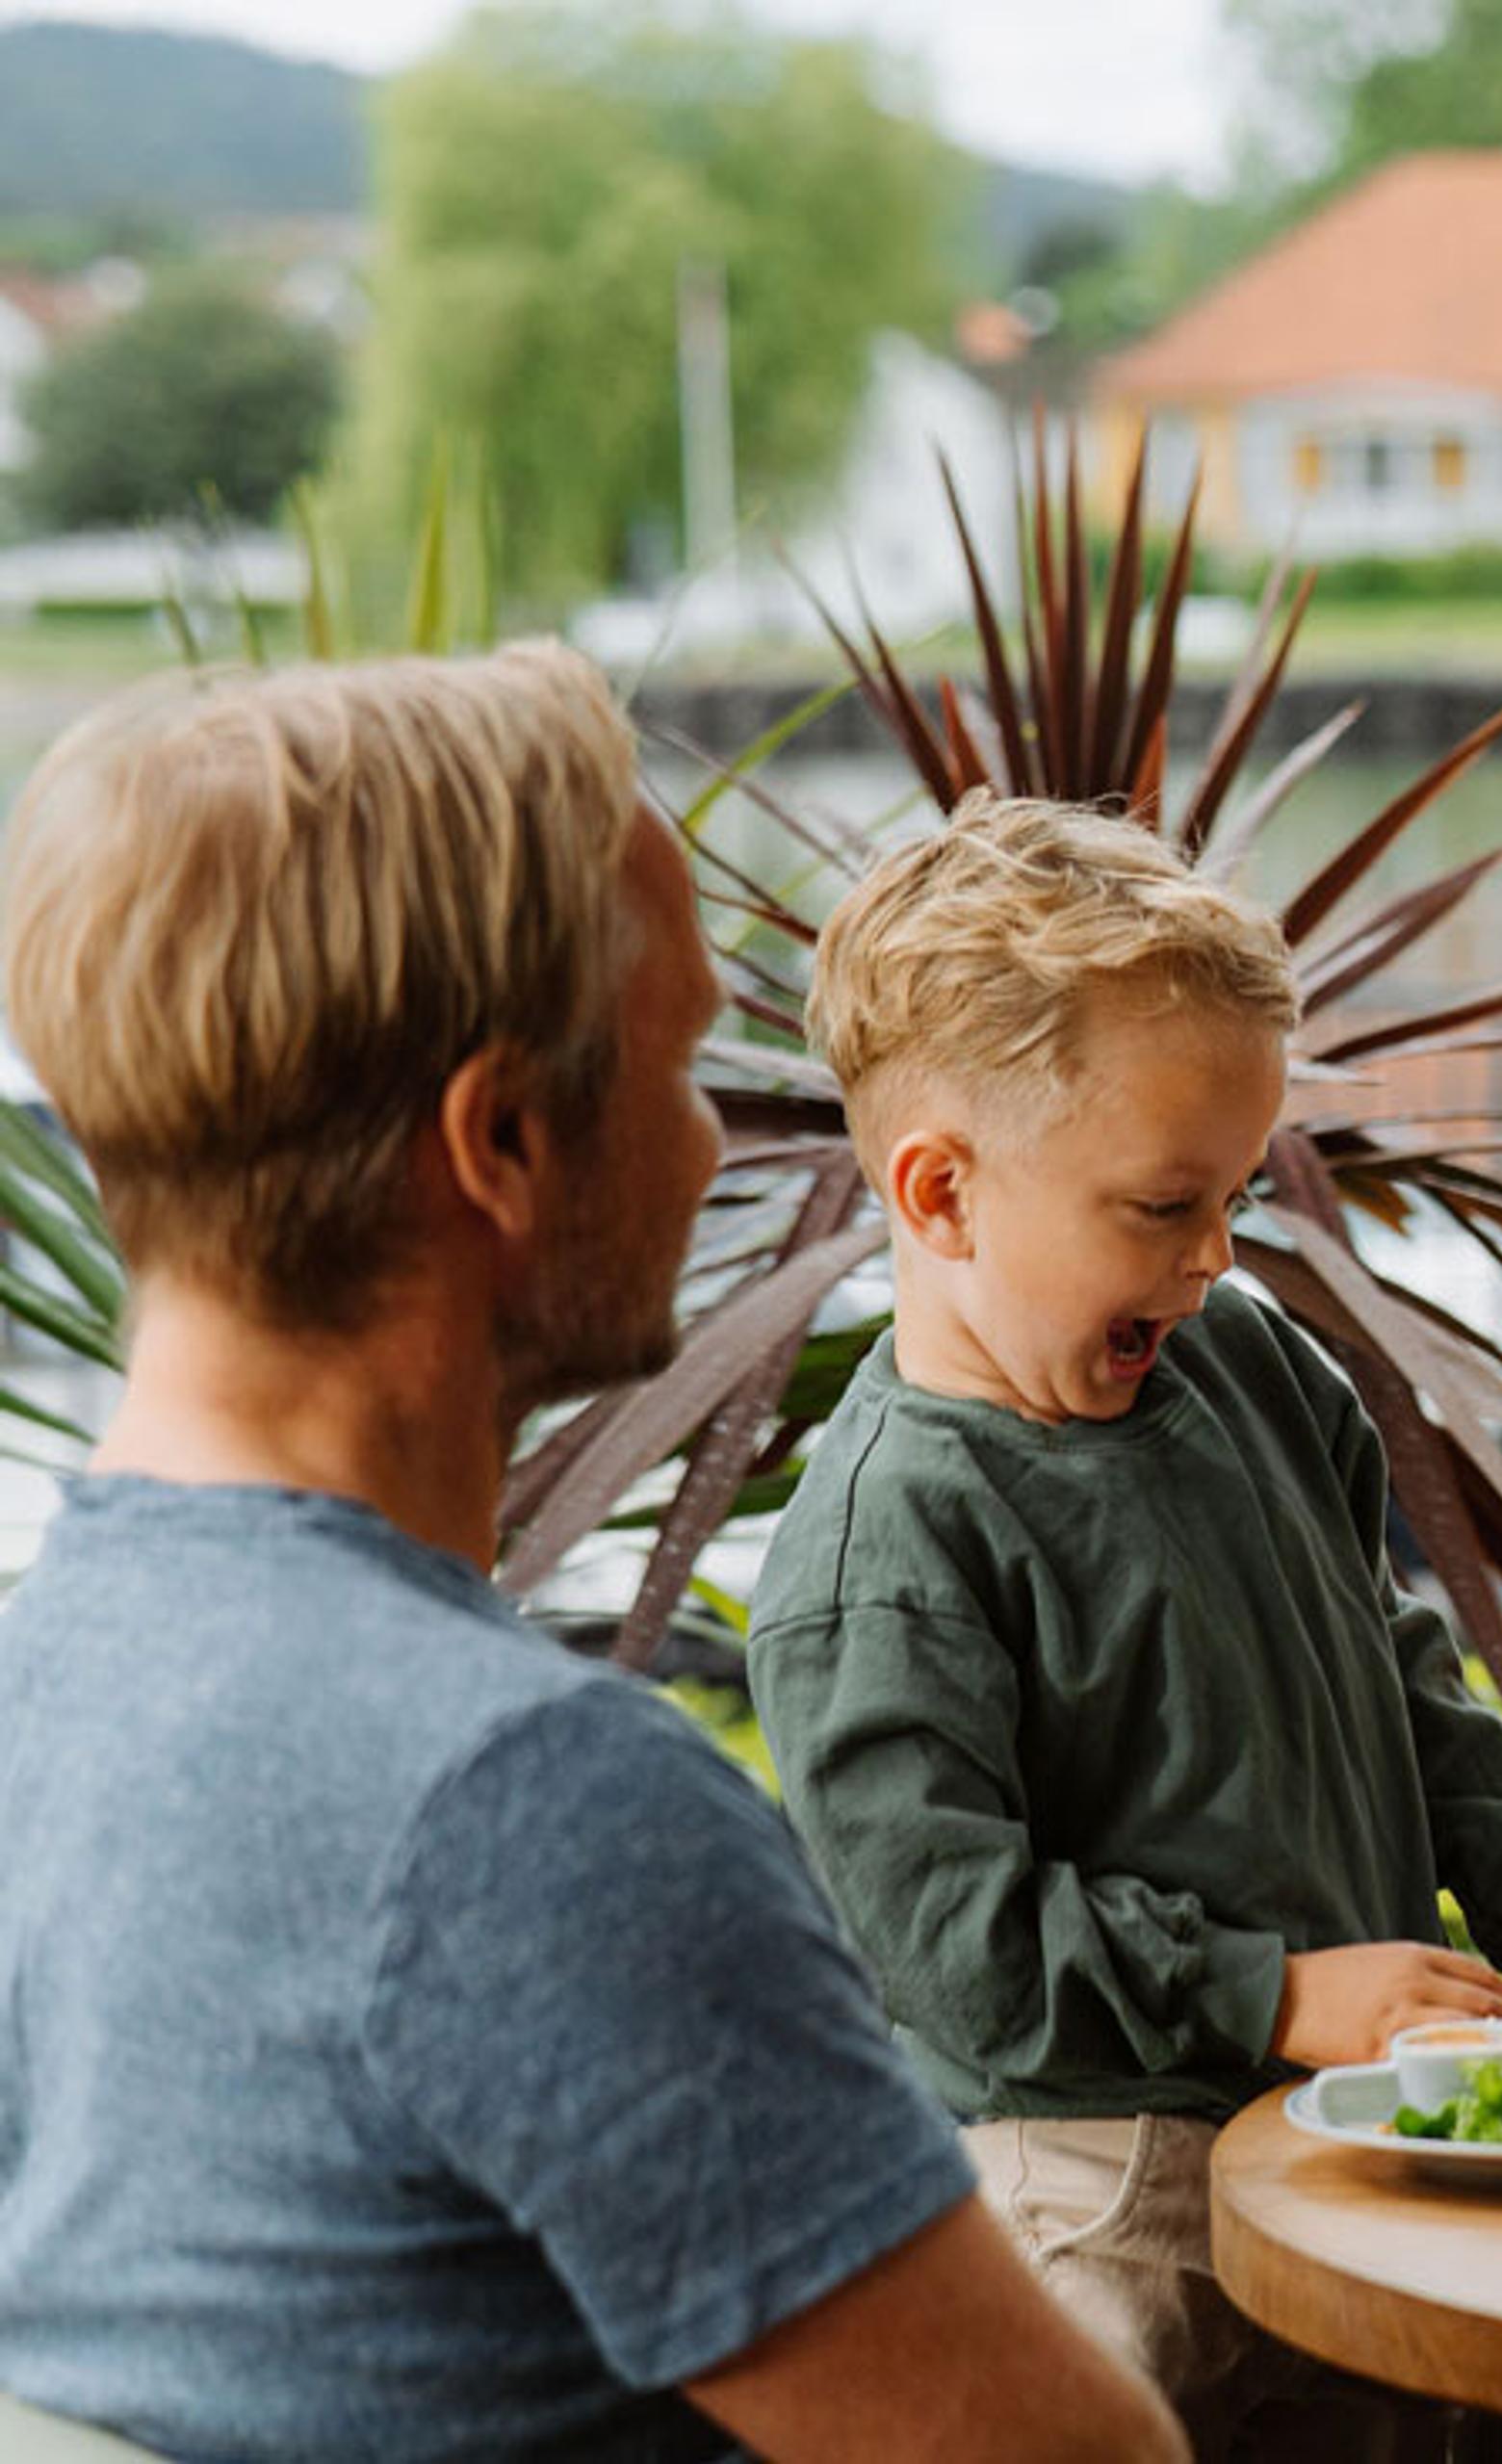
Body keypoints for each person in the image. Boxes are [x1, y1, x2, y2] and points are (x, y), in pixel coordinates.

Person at [0, 651, 1180, 2462]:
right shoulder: (531, 1815)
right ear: (502, 1139)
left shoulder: (44, 1688)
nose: (722, 1143)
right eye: (691, 1059)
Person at [746, 794, 1502, 2448]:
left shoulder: (1250, 1366)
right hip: (1105, 2199)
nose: (1215, 1253)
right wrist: (1276, 1996)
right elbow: (959, 1957)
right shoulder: (880, 1549)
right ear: (941, 1193)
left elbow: (1405, 1684)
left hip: (1354, 2126)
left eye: (1235, 1193)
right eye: (1162, 1207)